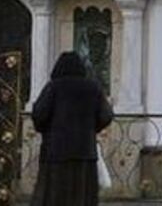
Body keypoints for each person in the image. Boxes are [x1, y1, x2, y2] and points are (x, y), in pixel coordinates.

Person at [30, 51, 114, 206]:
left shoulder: (53, 87)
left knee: (55, 197)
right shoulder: (93, 88)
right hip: (85, 152)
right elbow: (106, 115)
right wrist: (90, 129)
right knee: (82, 197)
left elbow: (39, 114)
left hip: (55, 152)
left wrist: (46, 130)